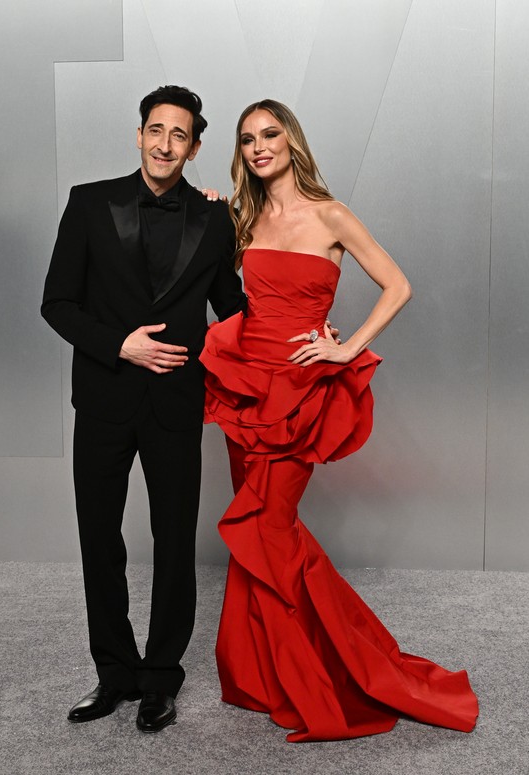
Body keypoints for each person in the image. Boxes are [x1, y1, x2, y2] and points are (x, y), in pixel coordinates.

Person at [199, 99, 479, 742]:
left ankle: (340, 672)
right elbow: (218, 283)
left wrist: (347, 346)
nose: (259, 147)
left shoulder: (332, 215)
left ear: (292, 142)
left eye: (270, 135)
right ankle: (259, 676)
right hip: (246, 389)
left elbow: (398, 284)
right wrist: (205, 211)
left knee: (266, 526)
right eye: (247, 140)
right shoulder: (242, 219)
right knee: (262, 534)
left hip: (297, 392)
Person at [41, 85, 246, 733]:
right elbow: (57, 302)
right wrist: (120, 344)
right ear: (139, 135)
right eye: (155, 130)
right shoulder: (88, 202)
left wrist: (301, 333)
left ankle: (160, 677)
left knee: (174, 541)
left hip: (177, 402)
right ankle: (114, 672)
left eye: (178, 134)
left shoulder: (216, 219)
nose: (164, 144)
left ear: (194, 146)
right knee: (99, 539)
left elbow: (234, 309)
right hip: (103, 395)